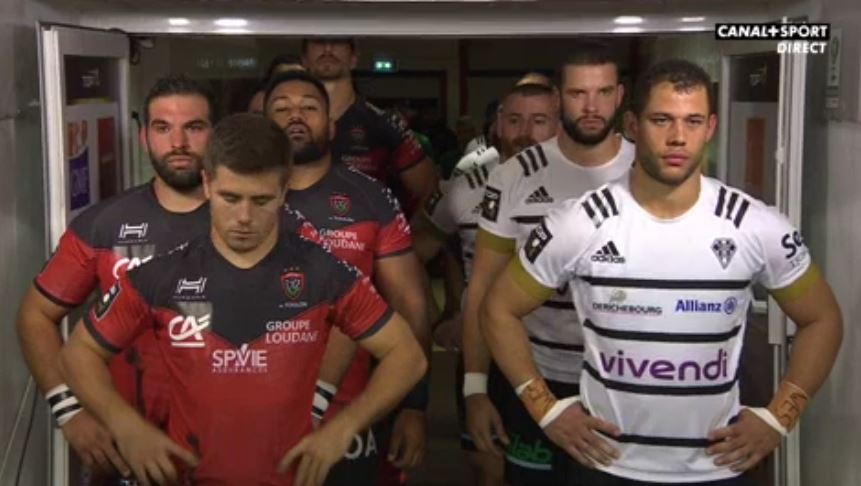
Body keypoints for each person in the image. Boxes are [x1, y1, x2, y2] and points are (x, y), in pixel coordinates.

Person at [482, 59, 843, 486]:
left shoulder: (755, 225)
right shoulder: (578, 223)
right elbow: (498, 309)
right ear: (632, 125)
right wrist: (545, 409)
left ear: (711, 128)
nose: (678, 137)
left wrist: (779, 418)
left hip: (717, 469)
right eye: (661, 120)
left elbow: (822, 319)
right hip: (605, 466)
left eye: (693, 121)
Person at [60, 113, 427, 485]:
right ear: (207, 184)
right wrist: (126, 426)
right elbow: (78, 353)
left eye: (261, 200)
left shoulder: (325, 274)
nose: (244, 217)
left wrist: (343, 427)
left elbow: (407, 356)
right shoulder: (160, 277)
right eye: (230, 198)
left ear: (284, 190)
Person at [16, 75, 215, 478]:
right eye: (163, 128)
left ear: (216, 135)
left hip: (226, 446)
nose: (178, 142)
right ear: (144, 138)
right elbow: (34, 316)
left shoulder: (249, 219)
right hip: (128, 449)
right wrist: (69, 411)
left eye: (193, 127)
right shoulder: (104, 225)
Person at [462, 41, 635, 486]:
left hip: (626, 381)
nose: (591, 107)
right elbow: (482, 287)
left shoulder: (647, 169)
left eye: (603, 92)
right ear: (559, 99)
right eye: (578, 93)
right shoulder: (512, 175)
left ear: (619, 96)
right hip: (533, 376)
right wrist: (475, 387)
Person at [264, 70, 431, 484]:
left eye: (309, 108)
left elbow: (410, 304)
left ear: (332, 126)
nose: (295, 116)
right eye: (282, 109)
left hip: (355, 411)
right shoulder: (237, 200)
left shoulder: (371, 198)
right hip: (257, 407)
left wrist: (414, 404)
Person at [412, 80, 560, 486]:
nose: (525, 133)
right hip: (483, 353)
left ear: (558, 126)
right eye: (514, 120)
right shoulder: (466, 184)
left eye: (539, 121)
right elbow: (412, 252)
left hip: (556, 356)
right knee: (488, 467)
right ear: (497, 124)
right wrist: (442, 312)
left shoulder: (585, 186)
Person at [301, 38, 438, 214]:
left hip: (366, 229)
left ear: (354, 59)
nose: (328, 48)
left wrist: (398, 229)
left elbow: (428, 190)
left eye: (338, 40)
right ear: (304, 59)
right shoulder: (285, 124)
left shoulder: (385, 123)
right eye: (318, 41)